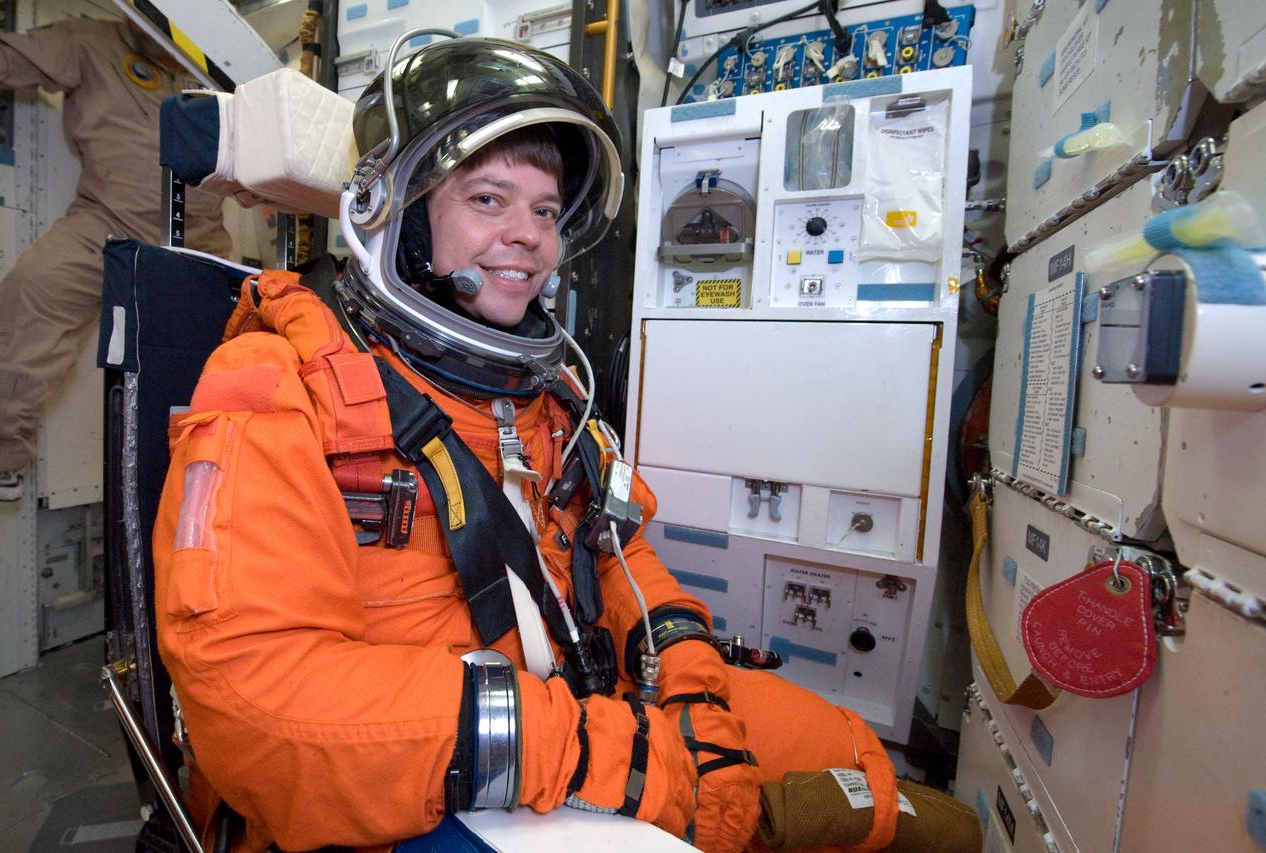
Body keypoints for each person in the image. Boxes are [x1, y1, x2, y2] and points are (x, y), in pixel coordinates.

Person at [153, 37, 898, 853]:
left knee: (861, 773)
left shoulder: (550, 397)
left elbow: (618, 554)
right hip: (416, 780)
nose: (529, 237)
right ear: (391, 212)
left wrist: (689, 687)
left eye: (545, 211)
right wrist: (600, 753)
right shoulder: (277, 385)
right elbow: (256, 703)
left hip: (582, 705)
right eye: (488, 200)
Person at [0, 15, 231, 498]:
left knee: (227, 355)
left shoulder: (219, 61)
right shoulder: (90, 40)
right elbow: (6, 59)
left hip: (197, 241)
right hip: (107, 223)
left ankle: (222, 468)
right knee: (35, 288)